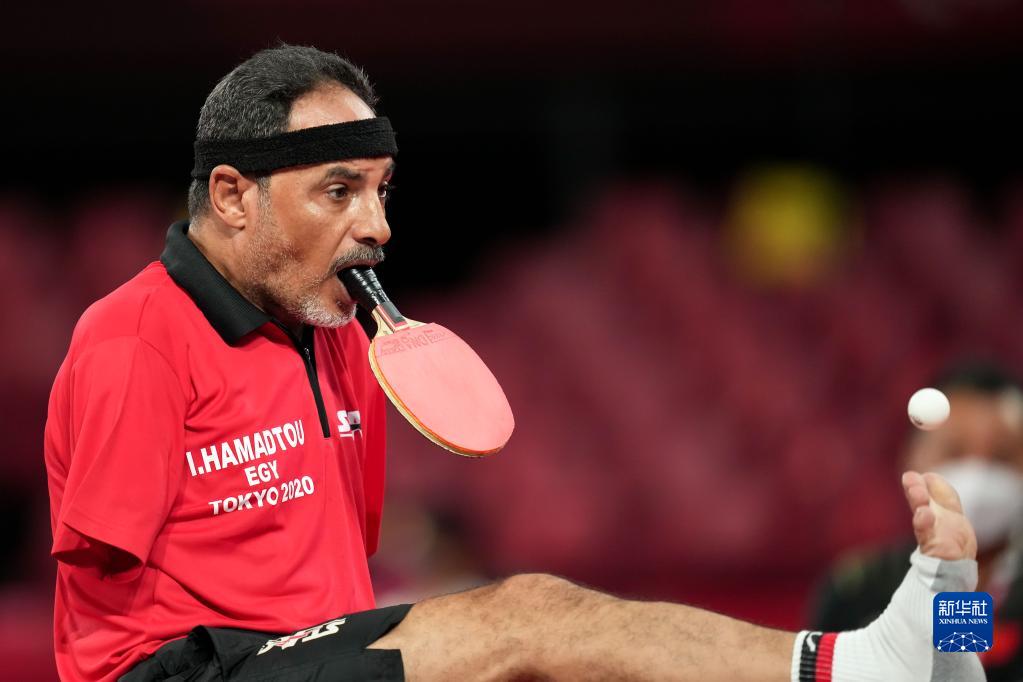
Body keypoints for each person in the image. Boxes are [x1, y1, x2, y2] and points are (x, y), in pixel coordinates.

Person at [44, 44, 984, 682]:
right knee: (527, 617)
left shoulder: (335, 333)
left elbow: (340, 570)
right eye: (338, 191)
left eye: (381, 191)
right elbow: (104, 610)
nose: (377, 226)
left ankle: (908, 652)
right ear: (231, 195)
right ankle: (863, 665)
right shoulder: (134, 340)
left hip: (313, 652)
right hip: (191, 670)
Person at [813, 361, 1023, 681]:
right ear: (912, 457)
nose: (979, 474)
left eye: (1002, 456)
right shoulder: (859, 589)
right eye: (955, 451)